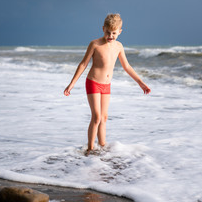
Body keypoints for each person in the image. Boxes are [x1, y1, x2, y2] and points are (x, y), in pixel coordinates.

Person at [64, 13, 151, 155]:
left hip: (106, 85)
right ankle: (90, 149)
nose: (110, 36)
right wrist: (72, 84)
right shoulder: (95, 44)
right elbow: (83, 64)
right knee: (96, 116)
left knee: (104, 117)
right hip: (93, 82)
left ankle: (102, 146)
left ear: (120, 32)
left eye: (114, 33)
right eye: (108, 32)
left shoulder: (119, 46)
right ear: (103, 29)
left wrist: (141, 83)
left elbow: (127, 67)